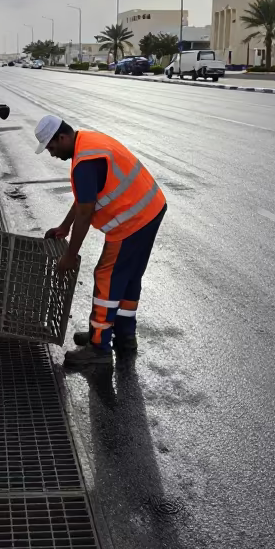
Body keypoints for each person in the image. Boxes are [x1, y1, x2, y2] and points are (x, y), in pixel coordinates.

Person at [35, 114, 167, 368]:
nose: (52, 154)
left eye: (51, 148)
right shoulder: (87, 142)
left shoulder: (85, 162)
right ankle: (125, 335)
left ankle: (99, 347)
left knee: (106, 276)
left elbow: (86, 212)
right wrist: (65, 225)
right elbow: (86, 199)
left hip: (132, 221)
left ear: (62, 138)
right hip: (151, 209)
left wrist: (70, 256)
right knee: (129, 276)